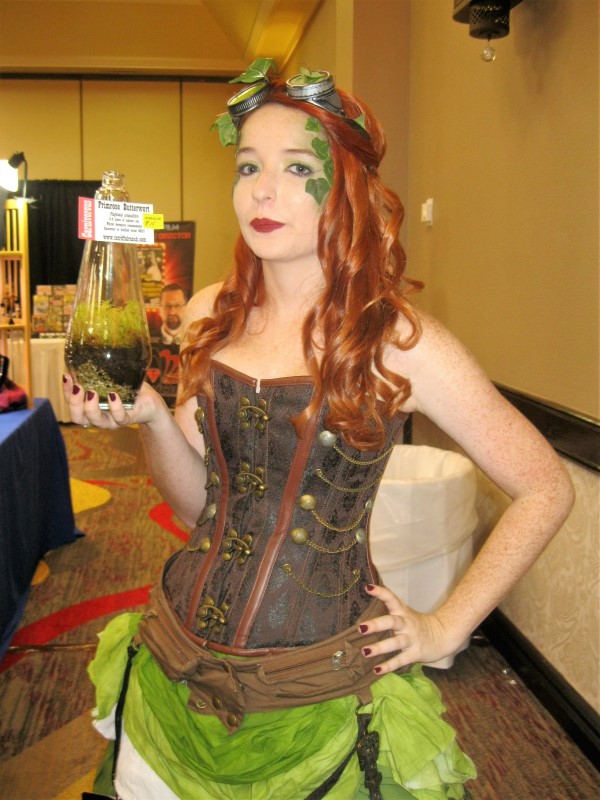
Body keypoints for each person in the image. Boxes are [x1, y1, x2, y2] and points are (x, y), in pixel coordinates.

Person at [63, 61, 574, 800]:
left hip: (321, 687)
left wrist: (446, 628)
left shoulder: (397, 341)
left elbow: (546, 487)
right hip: (175, 659)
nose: (262, 191)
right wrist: (149, 419)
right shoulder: (210, 314)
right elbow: (195, 506)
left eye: (297, 168)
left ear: (347, 191)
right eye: (248, 166)